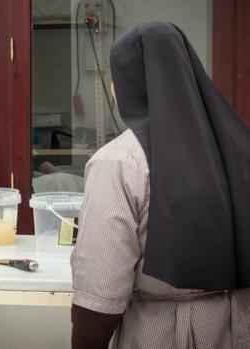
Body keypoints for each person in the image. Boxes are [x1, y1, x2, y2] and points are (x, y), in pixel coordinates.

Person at [70, 21, 250, 348]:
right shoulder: (240, 145)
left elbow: (99, 295)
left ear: (128, 83)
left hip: (169, 334)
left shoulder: (120, 160)